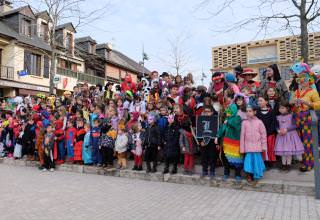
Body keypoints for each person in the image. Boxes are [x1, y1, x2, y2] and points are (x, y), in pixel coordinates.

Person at [290, 62, 320, 171]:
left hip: (307, 117)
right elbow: (290, 103)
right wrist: (294, 103)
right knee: (299, 141)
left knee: (308, 141)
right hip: (296, 117)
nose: (302, 81)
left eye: (304, 79)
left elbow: (318, 104)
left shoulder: (313, 92)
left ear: (309, 81)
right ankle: (302, 162)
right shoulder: (296, 91)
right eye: (299, 80)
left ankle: (309, 164)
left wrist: (308, 104)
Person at [240, 105, 267, 182]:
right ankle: (249, 175)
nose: (248, 113)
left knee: (256, 161)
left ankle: (256, 174)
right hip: (248, 146)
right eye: (247, 111)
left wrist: (264, 146)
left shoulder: (259, 122)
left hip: (257, 146)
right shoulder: (244, 122)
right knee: (248, 162)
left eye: (250, 111)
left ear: (255, 112)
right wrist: (242, 149)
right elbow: (242, 136)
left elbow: (263, 135)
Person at [275, 101, 304, 171]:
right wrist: (278, 130)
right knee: (283, 151)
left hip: (290, 136)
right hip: (281, 136)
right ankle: (283, 164)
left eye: (282, 108)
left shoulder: (291, 116)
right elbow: (276, 126)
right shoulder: (277, 117)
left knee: (289, 151)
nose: (280, 109)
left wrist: (287, 129)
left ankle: (288, 164)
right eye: (279, 108)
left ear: (287, 108)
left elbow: (295, 125)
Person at [217, 103, 242, 182]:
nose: (228, 112)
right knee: (225, 158)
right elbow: (222, 129)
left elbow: (236, 126)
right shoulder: (226, 119)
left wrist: (228, 122)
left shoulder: (237, 118)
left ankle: (238, 174)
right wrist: (218, 136)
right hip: (225, 143)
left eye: (230, 110)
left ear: (234, 110)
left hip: (234, 143)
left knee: (236, 159)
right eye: (227, 110)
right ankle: (226, 173)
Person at [198, 105, 219, 178]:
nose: (207, 113)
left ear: (212, 112)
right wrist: (200, 140)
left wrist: (217, 142)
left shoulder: (216, 120)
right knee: (204, 157)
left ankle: (212, 171)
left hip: (212, 141)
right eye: (205, 112)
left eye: (208, 112)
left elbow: (217, 131)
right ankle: (204, 170)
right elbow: (199, 131)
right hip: (203, 141)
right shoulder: (201, 119)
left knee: (212, 157)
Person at [256, 96, 278, 167]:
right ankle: (263, 162)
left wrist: (268, 132)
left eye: (261, 100)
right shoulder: (257, 112)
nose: (259, 102)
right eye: (258, 101)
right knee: (262, 149)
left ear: (266, 102)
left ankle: (270, 162)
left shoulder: (271, 111)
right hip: (260, 135)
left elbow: (273, 123)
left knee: (270, 148)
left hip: (270, 134)